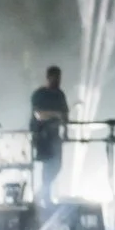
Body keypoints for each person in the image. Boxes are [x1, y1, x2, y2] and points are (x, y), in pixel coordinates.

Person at [29, 66, 68, 206]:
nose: (58, 80)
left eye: (59, 77)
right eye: (55, 77)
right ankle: (45, 196)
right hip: (42, 135)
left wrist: (66, 131)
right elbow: (38, 114)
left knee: (57, 166)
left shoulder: (60, 95)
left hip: (55, 135)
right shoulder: (40, 94)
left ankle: (42, 194)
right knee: (48, 166)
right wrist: (55, 115)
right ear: (49, 77)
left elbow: (65, 114)